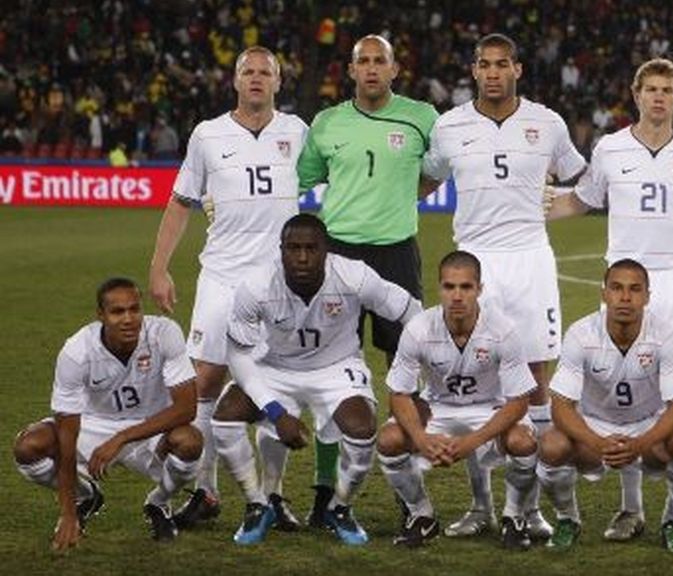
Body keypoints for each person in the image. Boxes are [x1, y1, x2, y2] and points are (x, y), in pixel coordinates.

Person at [421, 32, 587, 540]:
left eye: (502, 64)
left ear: (517, 69)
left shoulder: (548, 123)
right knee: (478, 382)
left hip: (530, 260)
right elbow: (424, 180)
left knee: (535, 380)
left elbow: (584, 180)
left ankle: (527, 509)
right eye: (485, 64)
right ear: (474, 70)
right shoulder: (449, 125)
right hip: (476, 263)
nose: (493, 72)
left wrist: (559, 205)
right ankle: (481, 507)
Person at [546, 58, 673, 546]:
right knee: (624, 391)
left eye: (667, 90)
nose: (659, 97)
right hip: (624, 282)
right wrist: (530, 205)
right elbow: (581, 201)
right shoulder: (610, 148)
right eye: (651, 89)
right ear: (636, 95)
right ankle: (630, 508)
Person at [147, 46, 308, 530]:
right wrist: (159, 268)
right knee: (205, 381)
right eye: (248, 72)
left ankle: (274, 496)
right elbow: (180, 203)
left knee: (277, 385)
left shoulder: (298, 132)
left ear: (278, 82)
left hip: (279, 283)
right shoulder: (207, 135)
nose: (256, 79)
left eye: (265, 73)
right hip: (221, 276)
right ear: (235, 81)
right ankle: (207, 490)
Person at [296, 34, 439, 526]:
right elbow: (300, 181)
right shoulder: (327, 122)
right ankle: (325, 489)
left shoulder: (422, 117)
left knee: (407, 368)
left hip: (398, 253)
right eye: (364, 61)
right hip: (338, 255)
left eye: (381, 61)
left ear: (395, 69)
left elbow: (439, 170)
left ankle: (407, 487)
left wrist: (402, 195)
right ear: (352, 70)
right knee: (330, 371)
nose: (373, 68)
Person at [212, 214, 423, 545]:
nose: (302, 257)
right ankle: (257, 505)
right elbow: (238, 356)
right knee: (224, 415)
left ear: (327, 251)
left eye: (311, 248)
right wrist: (276, 412)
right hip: (275, 367)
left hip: (336, 367)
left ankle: (340, 508)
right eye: (293, 248)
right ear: (280, 250)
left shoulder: (354, 276)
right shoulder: (256, 286)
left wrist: (411, 372)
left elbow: (412, 313)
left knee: (362, 427)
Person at [13, 278, 202, 550]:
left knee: (190, 441)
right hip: (93, 427)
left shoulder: (164, 334)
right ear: (100, 315)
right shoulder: (77, 352)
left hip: (151, 427)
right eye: (117, 312)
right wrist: (67, 512)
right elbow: (67, 437)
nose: (128, 319)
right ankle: (85, 495)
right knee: (29, 447)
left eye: (134, 309)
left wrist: (121, 438)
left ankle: (158, 503)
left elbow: (187, 408)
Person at [377, 250, 539, 550]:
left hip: (490, 407)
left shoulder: (503, 331)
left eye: (466, 287)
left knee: (523, 442)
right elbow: (399, 394)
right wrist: (421, 438)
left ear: (479, 289)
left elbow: (519, 401)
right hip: (438, 408)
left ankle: (514, 516)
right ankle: (421, 515)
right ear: (440, 288)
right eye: (449, 287)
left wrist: (472, 442)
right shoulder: (418, 329)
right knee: (388, 440)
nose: (457, 296)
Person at [537, 259, 673, 553]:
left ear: (647, 297)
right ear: (604, 294)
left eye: (634, 289)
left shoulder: (665, 336)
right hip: (594, 424)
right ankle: (567, 519)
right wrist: (597, 442)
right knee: (551, 445)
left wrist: (640, 444)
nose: (625, 297)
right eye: (616, 288)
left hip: (648, 424)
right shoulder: (581, 334)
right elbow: (560, 404)